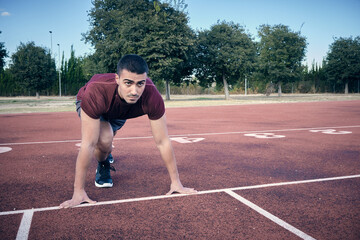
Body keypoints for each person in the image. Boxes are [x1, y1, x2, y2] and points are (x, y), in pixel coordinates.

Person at [60, 54, 197, 208]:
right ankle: (103, 164)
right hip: (93, 103)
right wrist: (78, 191)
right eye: (128, 83)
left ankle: (106, 151)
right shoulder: (95, 92)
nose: (134, 91)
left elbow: (162, 141)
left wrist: (176, 183)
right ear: (117, 79)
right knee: (103, 139)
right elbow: (87, 144)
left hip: (120, 110)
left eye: (140, 84)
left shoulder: (152, 96)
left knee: (108, 139)